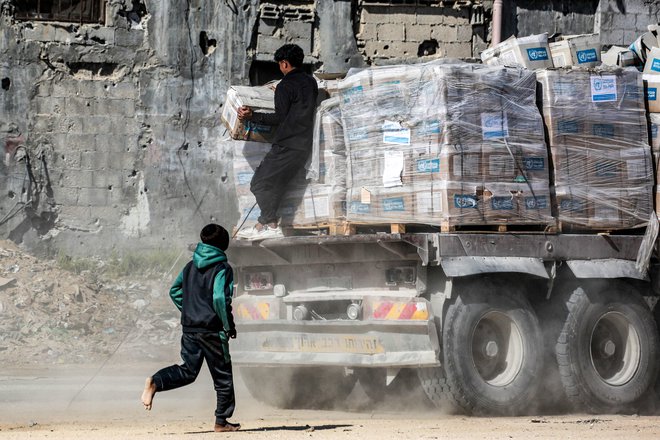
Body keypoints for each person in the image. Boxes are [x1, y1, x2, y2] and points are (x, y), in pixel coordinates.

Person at [141, 223, 240, 432]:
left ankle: (156, 382)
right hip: (211, 330)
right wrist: (228, 325)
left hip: (190, 329)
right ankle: (221, 422)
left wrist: (189, 311)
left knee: (188, 371)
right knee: (223, 377)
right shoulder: (223, 268)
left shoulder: (189, 266)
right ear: (224, 244)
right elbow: (220, 298)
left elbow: (175, 290)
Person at [236, 43, 319, 240]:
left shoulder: (285, 86)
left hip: (287, 144)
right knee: (276, 185)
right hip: (304, 146)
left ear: (284, 63)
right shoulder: (311, 82)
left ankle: (271, 224)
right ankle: (265, 223)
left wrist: (252, 116)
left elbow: (279, 118)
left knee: (259, 183)